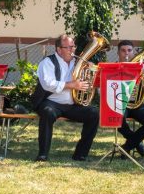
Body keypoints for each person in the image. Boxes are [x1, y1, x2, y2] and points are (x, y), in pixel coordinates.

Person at [32, 33, 99, 162]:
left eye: (73, 47)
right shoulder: (48, 62)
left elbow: (89, 85)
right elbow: (47, 84)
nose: (72, 50)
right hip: (51, 102)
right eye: (68, 47)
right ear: (59, 49)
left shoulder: (79, 63)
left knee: (94, 114)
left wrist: (91, 72)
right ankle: (43, 154)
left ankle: (80, 154)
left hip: (73, 105)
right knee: (47, 112)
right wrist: (72, 85)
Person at [116, 40, 144, 157]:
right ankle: (137, 143)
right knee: (116, 120)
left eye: (129, 50)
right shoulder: (112, 67)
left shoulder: (143, 67)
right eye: (123, 51)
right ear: (118, 53)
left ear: (134, 52)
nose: (126, 54)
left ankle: (127, 147)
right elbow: (101, 91)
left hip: (138, 103)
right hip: (120, 103)